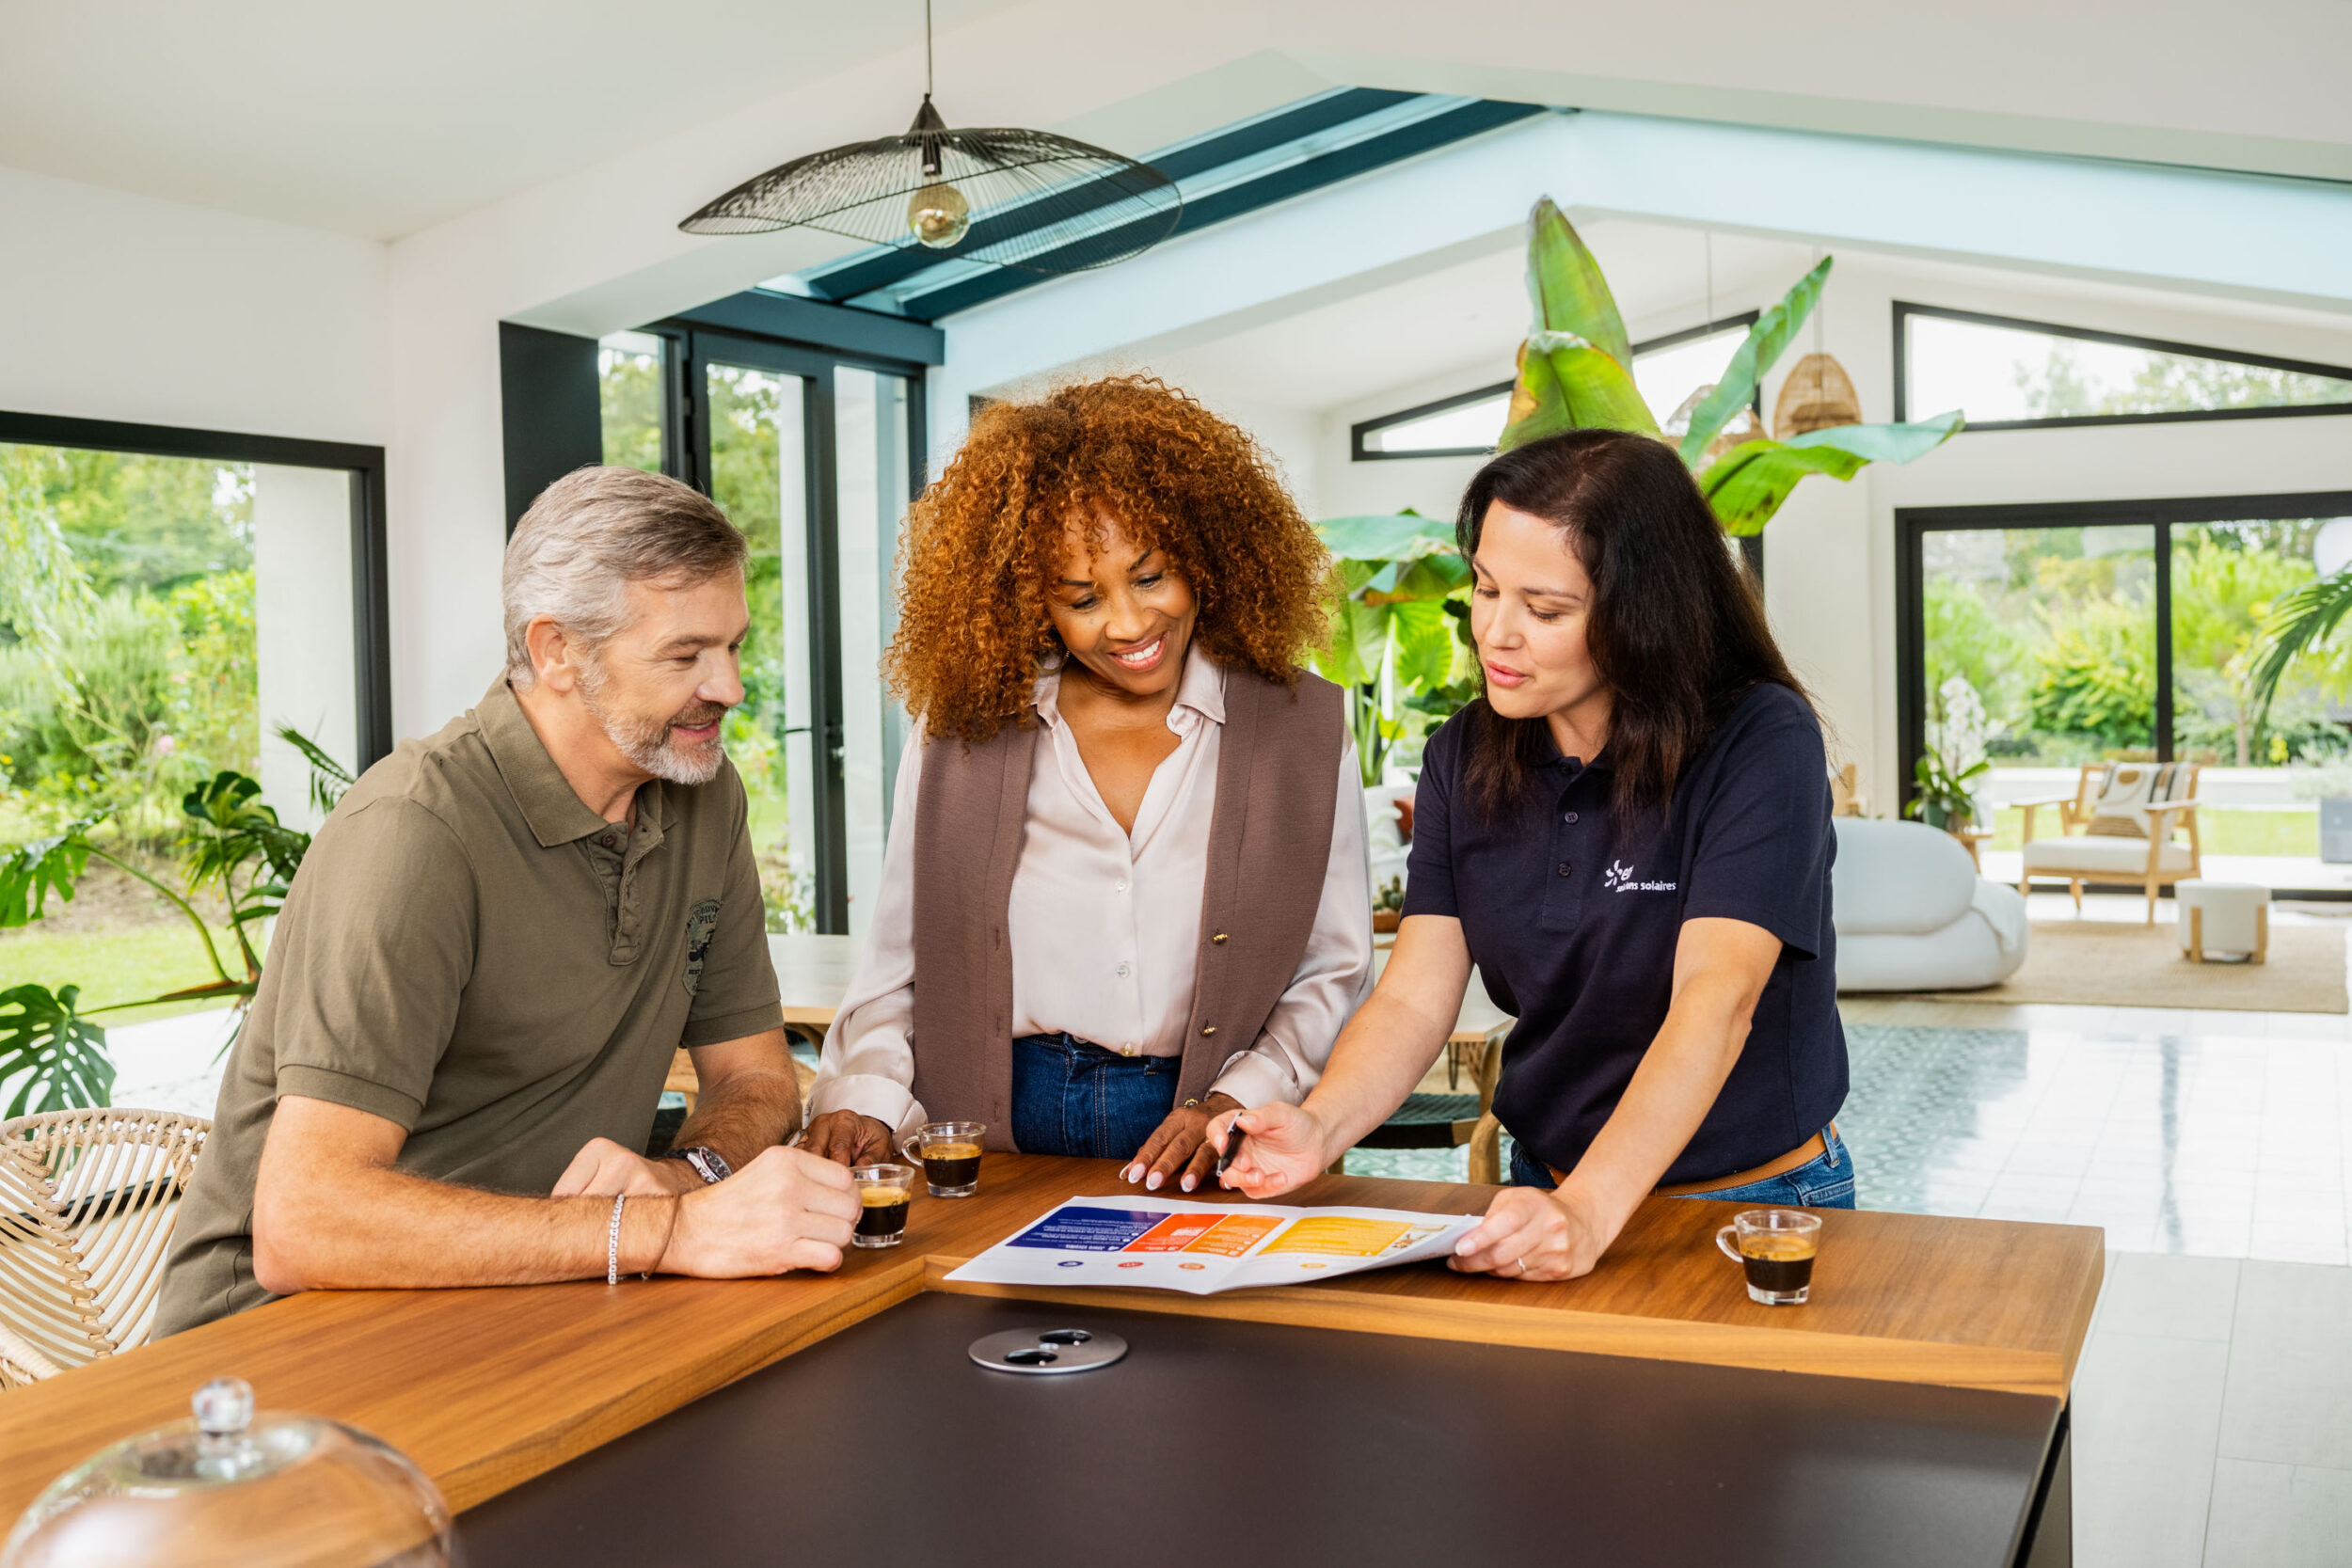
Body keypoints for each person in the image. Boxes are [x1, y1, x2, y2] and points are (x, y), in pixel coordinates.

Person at [155, 467, 858, 1335]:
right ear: (558, 649)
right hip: (278, 1348)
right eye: (685, 655)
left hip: (537, 1296)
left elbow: (755, 1074)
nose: (730, 686)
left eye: (734, 646)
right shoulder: (414, 833)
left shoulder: (704, 795)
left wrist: (687, 1178)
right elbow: (304, 1223)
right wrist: (662, 1229)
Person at [1216, 428, 1851, 1281]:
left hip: (1750, 1208)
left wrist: (1590, 1209)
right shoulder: (1462, 756)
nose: (1495, 633)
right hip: (1543, 1194)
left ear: (1642, 612)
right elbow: (1411, 999)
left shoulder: (1758, 739)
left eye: (1545, 610)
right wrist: (1320, 1124)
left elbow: (1716, 1000)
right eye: (1484, 589)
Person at [803, 377, 1370, 1192]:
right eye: (1082, 598)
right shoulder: (962, 728)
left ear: (1203, 555)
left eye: (1151, 577)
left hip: (1212, 1127)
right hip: (1002, 1118)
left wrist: (1237, 1096)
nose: (1131, 624)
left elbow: (1335, 968)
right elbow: (902, 958)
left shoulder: (1304, 727)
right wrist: (866, 1100)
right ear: (1032, 603)